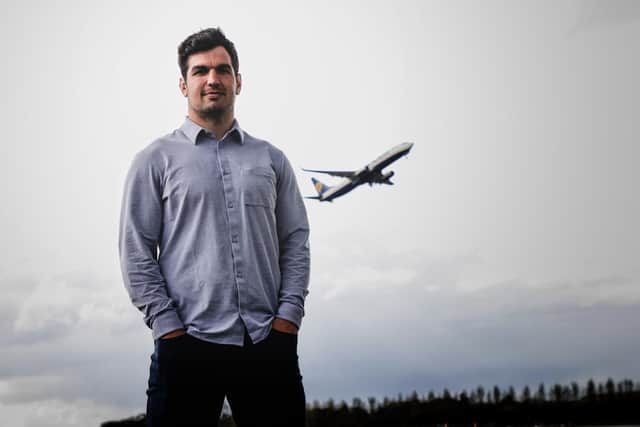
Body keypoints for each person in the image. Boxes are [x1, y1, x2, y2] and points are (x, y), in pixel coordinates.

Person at [118, 27, 310, 427]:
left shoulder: (271, 160)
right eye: (200, 71)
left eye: (223, 70)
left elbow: (295, 241)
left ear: (238, 81)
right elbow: (136, 251)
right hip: (186, 345)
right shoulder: (154, 160)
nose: (212, 80)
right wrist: (168, 328)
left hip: (266, 343)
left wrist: (288, 318)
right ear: (183, 83)